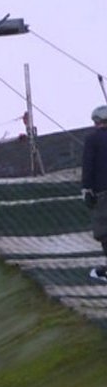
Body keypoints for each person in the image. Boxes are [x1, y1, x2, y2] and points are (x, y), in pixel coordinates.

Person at [81, 105, 107, 281]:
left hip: (103, 191)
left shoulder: (92, 139)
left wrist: (87, 189)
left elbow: (88, 166)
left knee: (104, 229)